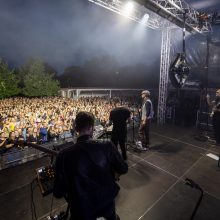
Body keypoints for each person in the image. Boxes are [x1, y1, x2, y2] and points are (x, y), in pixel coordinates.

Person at [53, 111, 128, 220]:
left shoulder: (63, 155)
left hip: (81, 211)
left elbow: (58, 193)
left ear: (75, 128)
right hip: (106, 207)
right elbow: (123, 168)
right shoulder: (107, 145)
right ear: (92, 128)